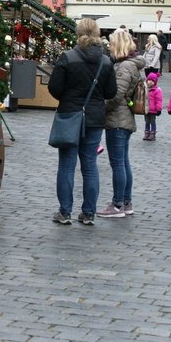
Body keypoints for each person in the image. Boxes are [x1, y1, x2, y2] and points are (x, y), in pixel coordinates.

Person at [48, 18, 117, 226]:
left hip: (70, 115)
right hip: (95, 118)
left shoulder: (67, 58)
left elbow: (54, 88)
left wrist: (68, 98)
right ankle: (88, 213)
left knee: (67, 166)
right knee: (89, 166)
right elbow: (111, 92)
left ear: (78, 34)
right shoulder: (106, 61)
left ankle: (65, 211)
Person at [97, 31, 145, 219]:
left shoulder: (124, 66)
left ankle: (117, 204)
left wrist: (102, 107)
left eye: (110, 44)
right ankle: (126, 202)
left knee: (118, 163)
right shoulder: (131, 64)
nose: (108, 47)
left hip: (117, 119)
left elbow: (116, 95)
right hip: (124, 119)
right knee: (123, 162)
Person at [143, 72, 163, 141]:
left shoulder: (157, 90)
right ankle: (146, 133)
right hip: (146, 109)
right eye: (149, 80)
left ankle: (152, 134)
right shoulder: (145, 89)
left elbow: (159, 100)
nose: (150, 82)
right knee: (147, 122)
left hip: (153, 110)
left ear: (155, 82)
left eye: (152, 81)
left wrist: (159, 109)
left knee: (152, 122)